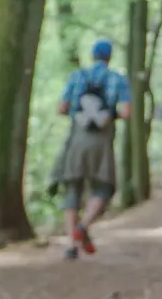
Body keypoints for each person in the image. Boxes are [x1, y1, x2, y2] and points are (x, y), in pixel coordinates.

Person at [53, 39, 131, 259]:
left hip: (77, 138)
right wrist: (108, 115)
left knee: (72, 189)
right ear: (109, 57)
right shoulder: (118, 79)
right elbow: (126, 113)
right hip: (102, 140)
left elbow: (61, 108)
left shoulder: (76, 77)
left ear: (92, 55)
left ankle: (71, 246)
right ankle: (84, 226)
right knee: (103, 187)